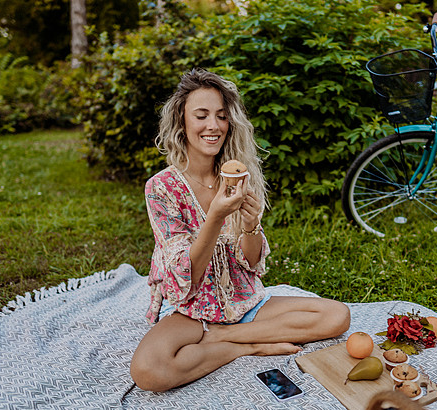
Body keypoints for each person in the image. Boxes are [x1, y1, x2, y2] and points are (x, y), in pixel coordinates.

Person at [131, 68, 350, 392]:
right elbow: (186, 275)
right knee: (148, 371)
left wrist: (250, 226)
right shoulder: (161, 188)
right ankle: (245, 346)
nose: (213, 126)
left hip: (244, 303)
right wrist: (216, 216)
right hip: (195, 313)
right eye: (201, 115)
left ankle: (225, 337)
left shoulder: (237, 178)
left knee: (338, 316)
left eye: (221, 116)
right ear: (182, 122)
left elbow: (250, 263)